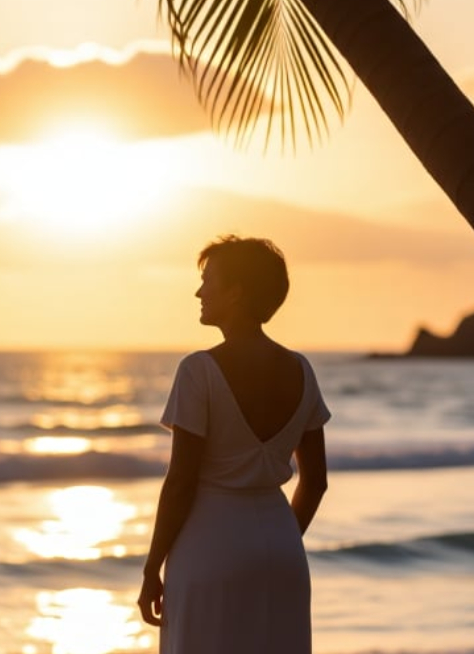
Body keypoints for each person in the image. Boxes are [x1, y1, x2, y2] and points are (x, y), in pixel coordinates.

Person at [137, 235, 330, 654]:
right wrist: (279, 541)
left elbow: (181, 481)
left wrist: (152, 568)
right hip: (283, 551)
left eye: (209, 281)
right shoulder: (301, 369)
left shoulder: (198, 370)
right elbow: (315, 481)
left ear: (238, 291)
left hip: (211, 548)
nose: (199, 291)